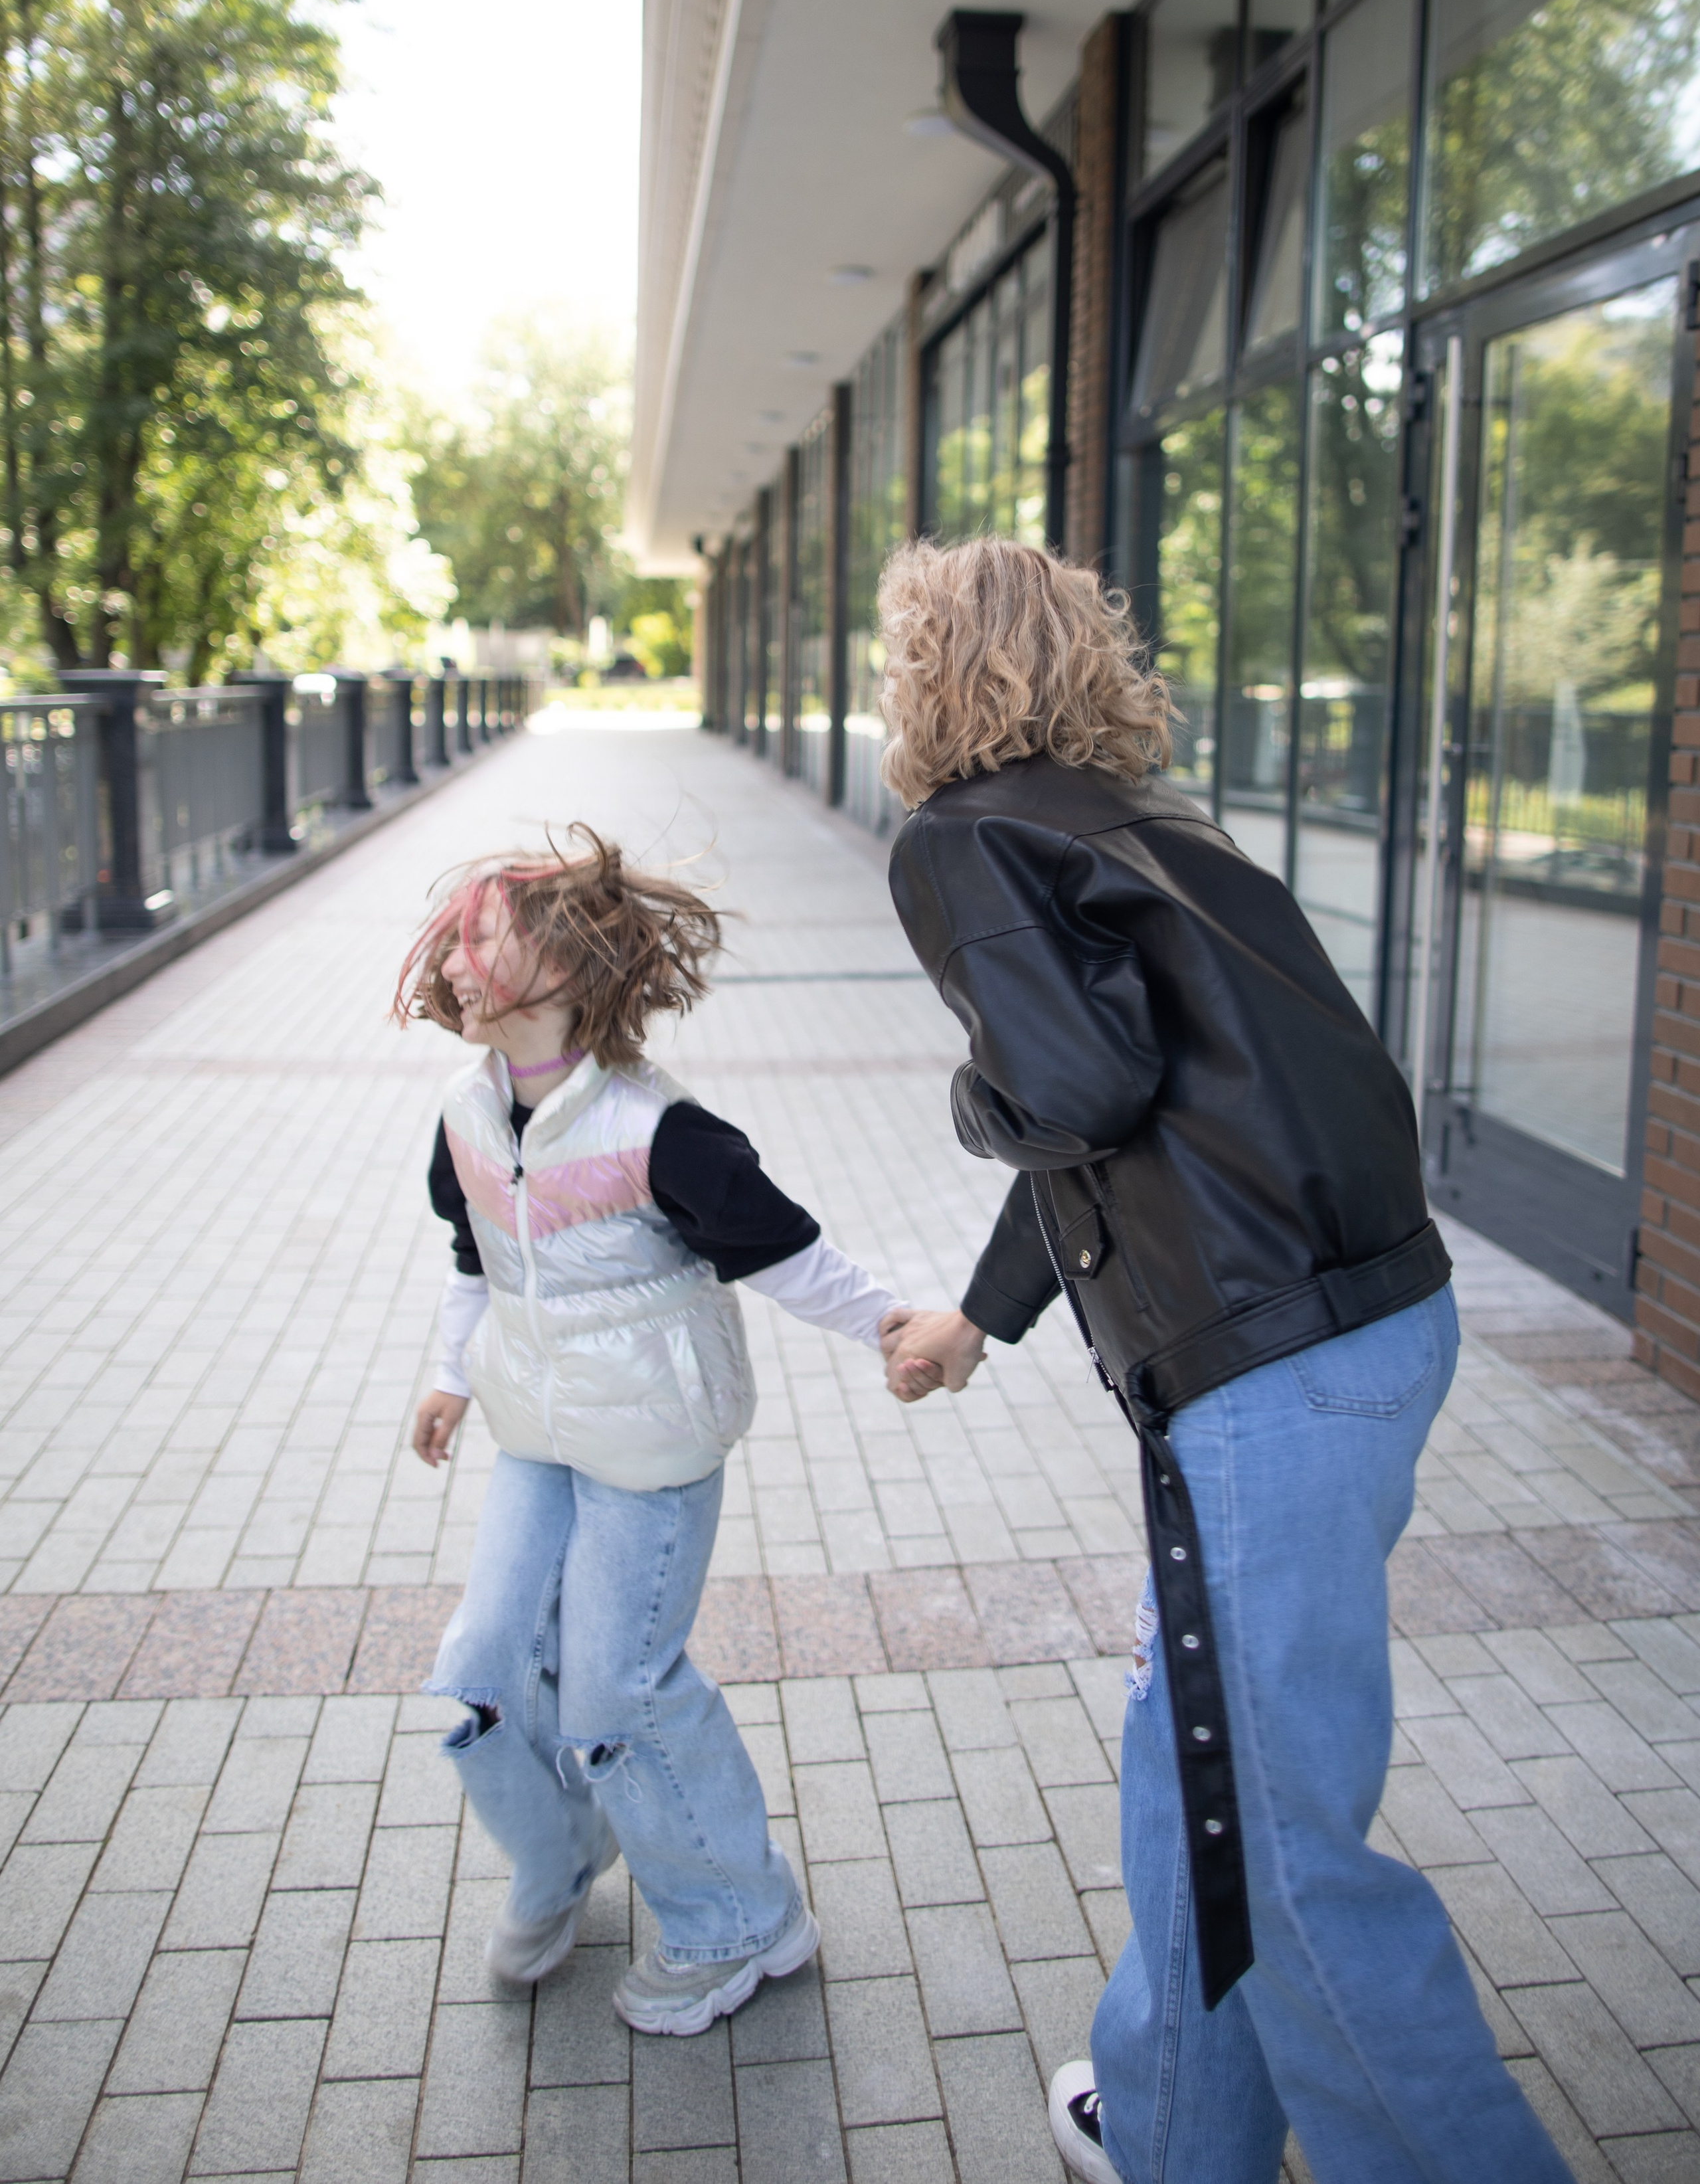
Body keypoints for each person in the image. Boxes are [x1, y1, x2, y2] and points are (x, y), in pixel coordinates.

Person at [875, 539, 1572, 2184]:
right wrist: (986, 1312)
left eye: (896, 647)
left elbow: (1072, 1093)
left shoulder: (958, 836)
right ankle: (1178, 2124)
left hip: (1272, 1383)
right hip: (1374, 1329)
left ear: (938, 669)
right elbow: (1151, 1108)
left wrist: (967, 1098)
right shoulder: (1151, 822)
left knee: (1269, 1843)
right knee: (1185, 1768)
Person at [395, 830, 906, 2035]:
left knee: (616, 1694)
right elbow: (476, 1256)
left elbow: (788, 1254)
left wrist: (895, 1324)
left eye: (483, 941)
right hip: (538, 1433)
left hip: (655, 1448)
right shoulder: (466, 1114)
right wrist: (445, 1378)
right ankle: (562, 1855)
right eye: (456, 940)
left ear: (565, 967)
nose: (456, 962)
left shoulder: (658, 1131)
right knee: (480, 1670)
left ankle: (743, 1918)